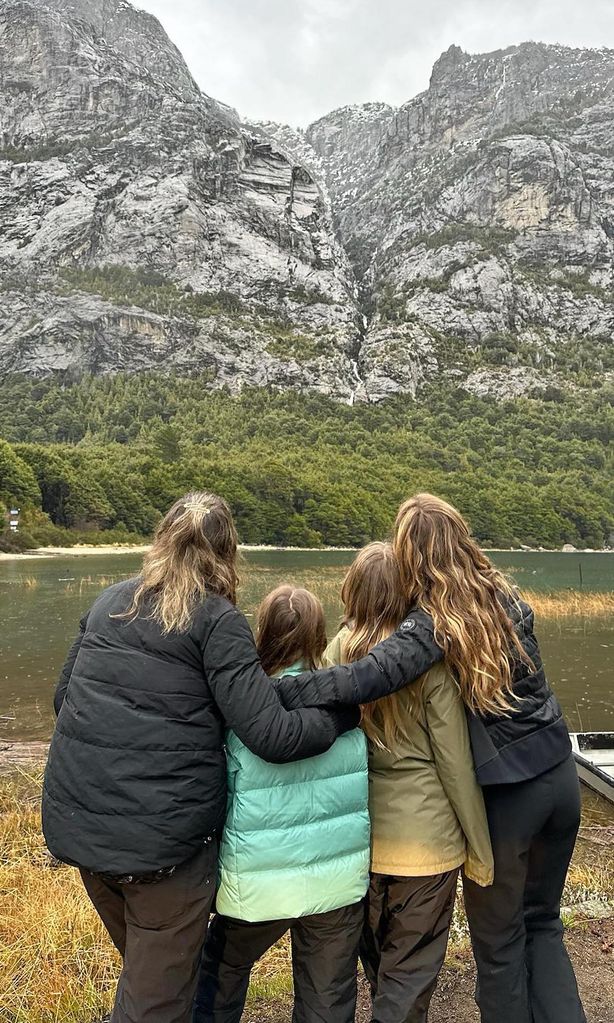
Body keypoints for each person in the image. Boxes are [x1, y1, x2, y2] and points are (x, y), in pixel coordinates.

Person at [42, 492, 445, 1023]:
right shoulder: (215, 619)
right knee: (156, 1000)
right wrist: (346, 714)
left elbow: (60, 701)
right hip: (162, 850)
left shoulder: (109, 601)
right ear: (228, 552)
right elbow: (272, 736)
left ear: (161, 541)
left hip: (82, 831)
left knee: (159, 978)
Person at [390, 494, 586, 1023]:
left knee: (499, 947)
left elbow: (375, 674)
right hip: (562, 779)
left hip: (510, 799)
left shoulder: (437, 622)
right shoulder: (507, 594)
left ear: (411, 557)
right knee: (543, 923)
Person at [324, 542, 493, 1023]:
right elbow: (455, 766)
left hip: (359, 841)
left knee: (379, 966)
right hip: (427, 847)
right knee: (409, 976)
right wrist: (479, 850)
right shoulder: (427, 661)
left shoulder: (334, 652)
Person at [194, 585, 370, 1023]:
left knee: (220, 972)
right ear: (318, 636)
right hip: (337, 881)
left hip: (258, 880)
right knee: (327, 997)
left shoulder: (242, 709)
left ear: (262, 633)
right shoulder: (348, 706)